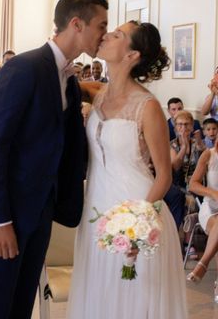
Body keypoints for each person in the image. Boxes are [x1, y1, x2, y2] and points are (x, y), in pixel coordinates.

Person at [0, 0, 108, 319]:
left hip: (40, 208)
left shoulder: (69, 80)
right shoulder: (24, 67)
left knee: (20, 304)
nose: (104, 33)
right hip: (8, 211)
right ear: (77, 24)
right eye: (101, 25)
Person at [67, 21, 186, 319]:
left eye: (117, 34)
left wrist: (138, 226)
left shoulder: (148, 106)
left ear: (132, 55)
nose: (106, 35)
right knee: (100, 296)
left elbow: (164, 175)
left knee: (133, 302)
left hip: (135, 218)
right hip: (95, 212)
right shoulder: (99, 93)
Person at [188, 138, 218, 298]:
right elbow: (193, 184)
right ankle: (205, 265)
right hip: (210, 208)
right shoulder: (209, 155)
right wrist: (213, 193)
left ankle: (203, 264)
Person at [165, 109, 204, 228]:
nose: (183, 127)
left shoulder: (197, 143)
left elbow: (206, 163)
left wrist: (200, 145)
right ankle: (184, 238)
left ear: (192, 127)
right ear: (175, 127)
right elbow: (175, 166)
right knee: (186, 198)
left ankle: (189, 240)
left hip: (196, 183)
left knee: (193, 196)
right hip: (178, 184)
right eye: (180, 124)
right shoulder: (172, 145)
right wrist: (184, 147)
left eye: (187, 124)